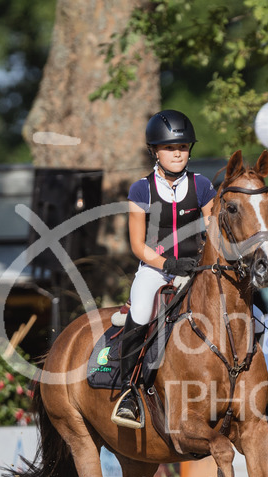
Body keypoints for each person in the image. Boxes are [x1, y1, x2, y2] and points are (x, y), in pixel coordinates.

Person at [111, 110, 217, 428]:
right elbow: (137, 245)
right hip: (155, 270)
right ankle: (128, 391)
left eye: (183, 147)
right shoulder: (140, 190)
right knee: (142, 312)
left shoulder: (202, 186)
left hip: (196, 269)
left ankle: (254, 387)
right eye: (170, 148)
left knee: (240, 311)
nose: (177, 154)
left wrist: (204, 262)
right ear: (155, 151)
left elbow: (213, 231)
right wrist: (169, 264)